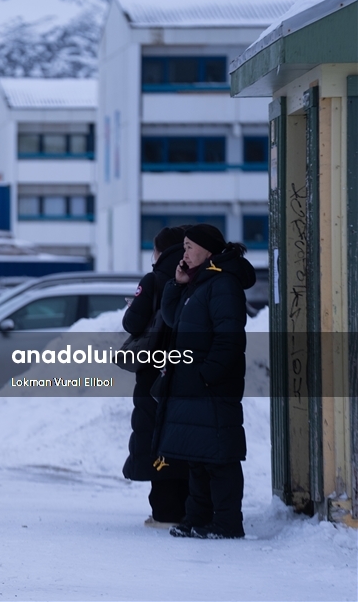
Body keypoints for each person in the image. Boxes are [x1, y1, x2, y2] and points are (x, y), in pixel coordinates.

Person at [154, 223, 255, 539]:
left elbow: (229, 339)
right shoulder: (199, 282)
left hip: (211, 386)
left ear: (208, 250)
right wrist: (177, 283)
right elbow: (173, 320)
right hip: (192, 383)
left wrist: (206, 375)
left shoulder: (223, 284)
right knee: (197, 456)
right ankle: (197, 517)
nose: (184, 253)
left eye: (188, 247)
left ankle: (226, 523)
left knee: (220, 460)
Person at [121, 226, 190, 527]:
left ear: (160, 251)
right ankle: (188, 507)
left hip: (154, 370)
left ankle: (164, 512)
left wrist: (137, 306)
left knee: (155, 438)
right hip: (185, 368)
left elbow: (132, 322)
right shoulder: (195, 275)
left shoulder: (155, 278)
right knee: (182, 438)